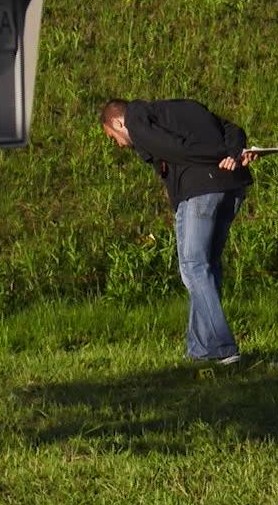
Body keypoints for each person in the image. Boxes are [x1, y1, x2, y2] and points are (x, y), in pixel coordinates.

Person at [101, 98, 258, 364]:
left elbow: (175, 149)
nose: (117, 143)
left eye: (112, 136)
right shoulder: (178, 111)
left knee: (194, 266)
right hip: (232, 187)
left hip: (200, 189)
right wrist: (233, 153)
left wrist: (221, 155)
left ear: (118, 122)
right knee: (207, 266)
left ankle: (222, 347)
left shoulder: (137, 122)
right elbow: (232, 128)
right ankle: (200, 348)